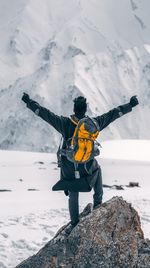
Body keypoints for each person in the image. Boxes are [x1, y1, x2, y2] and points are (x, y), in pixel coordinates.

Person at [22, 93, 139, 227]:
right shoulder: (93, 124)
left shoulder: (64, 123)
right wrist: (130, 105)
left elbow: (45, 114)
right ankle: (97, 206)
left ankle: (74, 223)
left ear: (74, 109)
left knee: (73, 191)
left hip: (69, 171)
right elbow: (112, 115)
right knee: (98, 169)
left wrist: (29, 102)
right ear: (85, 110)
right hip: (87, 169)